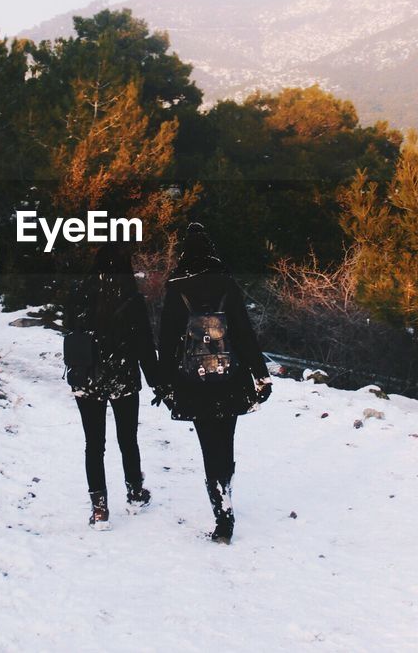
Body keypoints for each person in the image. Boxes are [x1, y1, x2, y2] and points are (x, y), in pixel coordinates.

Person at [155, 223, 272, 544]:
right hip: (231, 377)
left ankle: (223, 516)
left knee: (209, 446)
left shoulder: (177, 288)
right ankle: (227, 490)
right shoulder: (227, 284)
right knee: (227, 440)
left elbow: (165, 343)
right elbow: (245, 336)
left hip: (194, 383)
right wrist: (261, 375)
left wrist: (162, 384)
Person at [67, 244, 161, 529]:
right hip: (123, 375)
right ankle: (134, 493)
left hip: (88, 376)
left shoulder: (79, 292)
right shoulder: (132, 298)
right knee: (127, 439)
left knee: (94, 444)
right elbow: (145, 345)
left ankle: (99, 508)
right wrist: (157, 383)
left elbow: (70, 331)